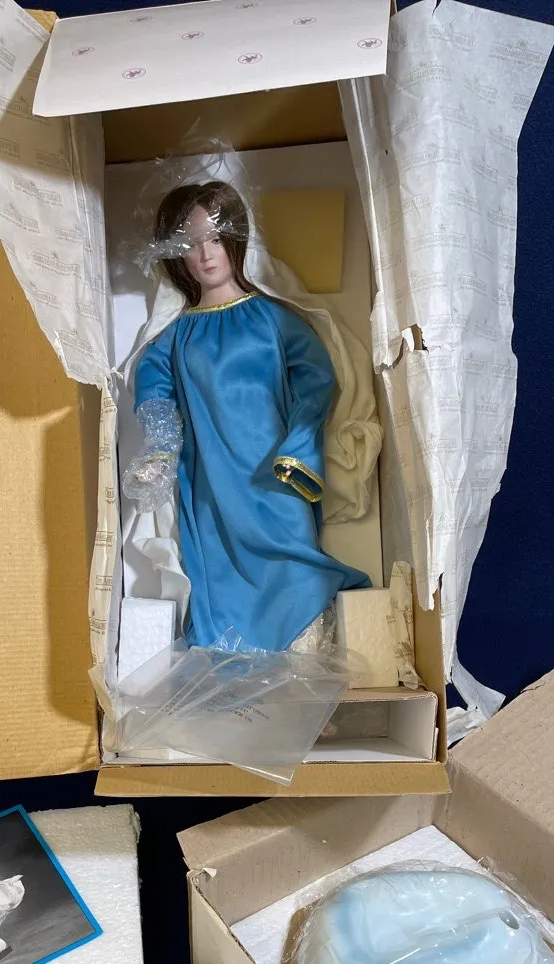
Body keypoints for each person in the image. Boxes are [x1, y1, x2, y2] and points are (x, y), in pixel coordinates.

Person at [122, 180, 370, 654]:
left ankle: (305, 645)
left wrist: (300, 445)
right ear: (175, 254)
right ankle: (237, 658)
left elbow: (315, 378)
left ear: (235, 240)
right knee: (219, 570)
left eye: (215, 239)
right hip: (213, 481)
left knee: (294, 558)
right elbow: (155, 390)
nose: (205, 255)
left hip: (276, 472)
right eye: (190, 243)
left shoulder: (272, 319)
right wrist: (160, 448)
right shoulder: (176, 336)